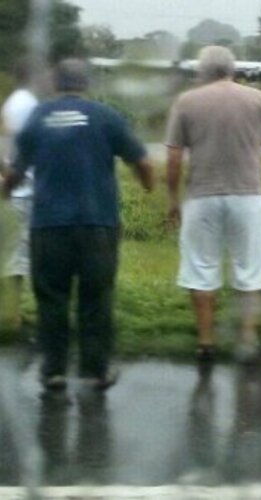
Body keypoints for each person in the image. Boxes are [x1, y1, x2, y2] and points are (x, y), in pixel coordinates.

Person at [2, 59, 154, 391]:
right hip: (97, 224)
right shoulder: (105, 116)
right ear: (86, 83)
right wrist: (148, 185)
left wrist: (6, 190)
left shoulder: (38, 118)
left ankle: (53, 371)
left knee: (51, 298)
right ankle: (95, 370)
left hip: (49, 225)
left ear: (56, 83)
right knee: (96, 297)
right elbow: (141, 160)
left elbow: (14, 173)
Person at [165, 46, 261, 362]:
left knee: (201, 269)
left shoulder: (187, 101)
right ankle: (247, 339)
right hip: (247, 196)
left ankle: (205, 342)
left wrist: (173, 200)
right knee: (250, 268)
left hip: (201, 196)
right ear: (233, 69)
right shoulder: (256, 98)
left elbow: (174, 156)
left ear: (202, 71)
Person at [1, 60, 39, 332]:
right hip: (25, 189)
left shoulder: (9, 105)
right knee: (18, 255)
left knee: (13, 252)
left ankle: (13, 312)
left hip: (11, 186)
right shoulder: (31, 106)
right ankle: (13, 316)